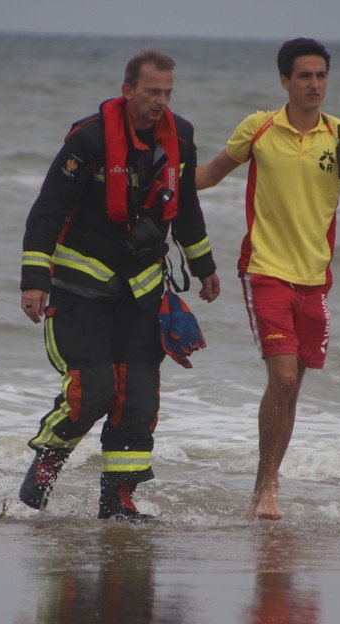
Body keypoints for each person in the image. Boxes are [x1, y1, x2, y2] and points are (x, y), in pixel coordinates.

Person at [196, 37, 340, 521]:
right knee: (282, 377)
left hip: (314, 278)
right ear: (284, 80)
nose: (314, 84)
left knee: (293, 389)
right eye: (304, 76)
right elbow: (209, 175)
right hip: (264, 269)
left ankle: (268, 482)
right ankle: (266, 485)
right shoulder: (259, 127)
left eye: (321, 75)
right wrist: (159, 176)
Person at [19, 49, 220, 520]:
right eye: (152, 91)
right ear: (128, 90)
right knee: (92, 392)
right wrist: (33, 280)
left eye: (167, 92)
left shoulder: (180, 137)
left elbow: (186, 207)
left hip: (143, 291)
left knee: (138, 397)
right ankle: (42, 474)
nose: (160, 102)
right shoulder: (87, 139)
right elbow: (46, 212)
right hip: (78, 292)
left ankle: (119, 502)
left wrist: (205, 266)